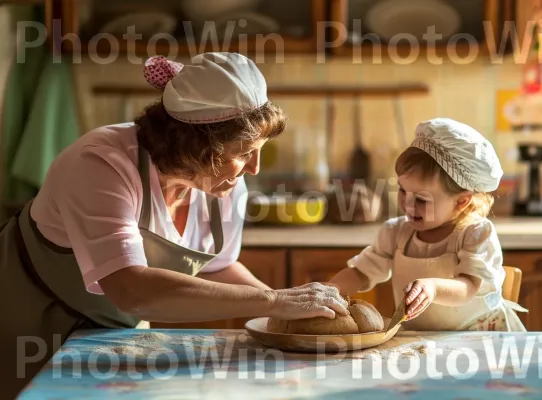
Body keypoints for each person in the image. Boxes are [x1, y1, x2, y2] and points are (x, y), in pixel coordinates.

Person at [0, 52, 348, 397]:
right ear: (195, 144)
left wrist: (282, 318)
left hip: (118, 335)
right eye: (243, 152)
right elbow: (130, 287)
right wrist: (273, 301)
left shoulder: (225, 183)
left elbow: (217, 268)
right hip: (28, 324)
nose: (254, 168)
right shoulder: (101, 163)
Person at [329, 118, 528, 331]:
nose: (407, 203)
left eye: (421, 200)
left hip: (478, 341)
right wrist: (329, 291)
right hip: (421, 341)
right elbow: (361, 272)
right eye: (403, 190)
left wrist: (433, 288)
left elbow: (468, 287)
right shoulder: (395, 232)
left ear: (462, 201)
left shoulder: (476, 233)